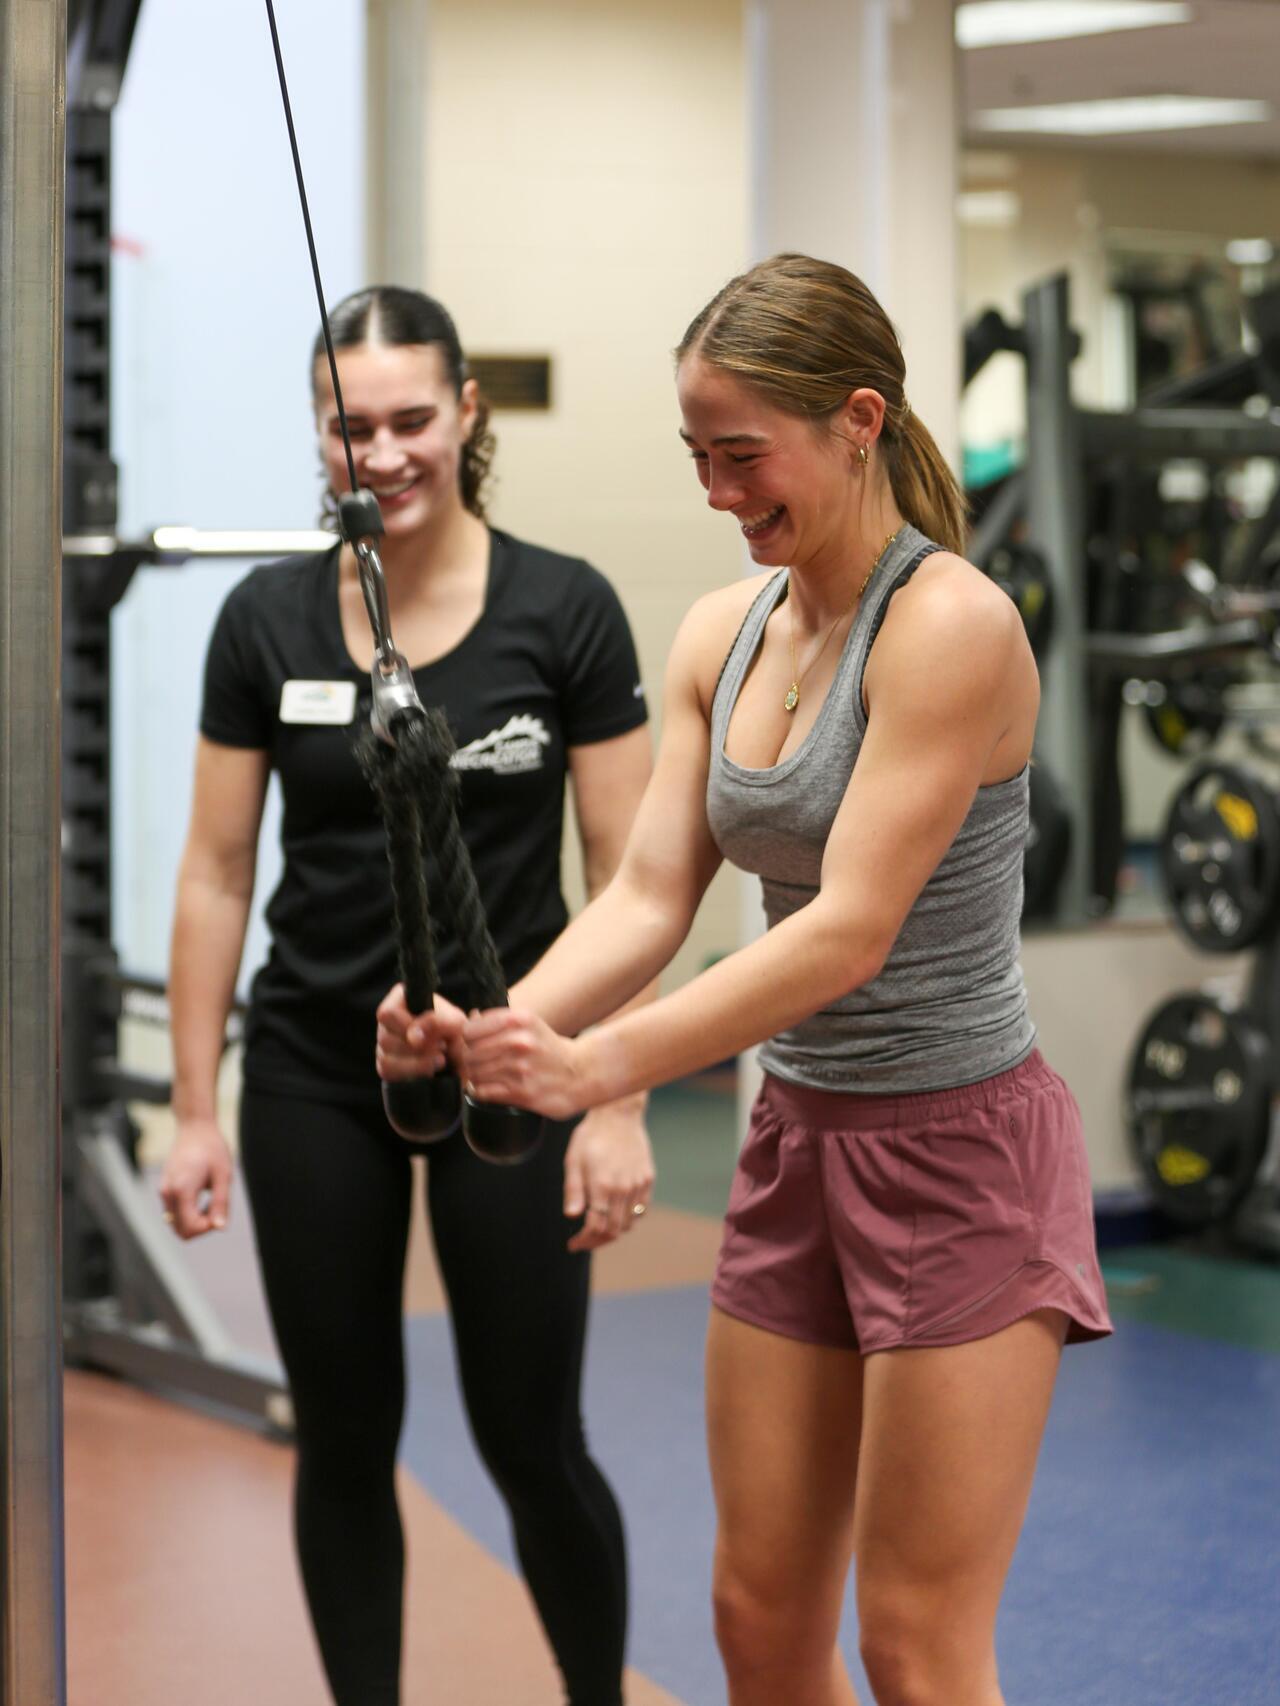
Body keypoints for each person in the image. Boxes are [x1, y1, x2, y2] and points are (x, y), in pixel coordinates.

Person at [378, 254, 1113, 1706]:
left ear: (857, 419)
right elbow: (652, 892)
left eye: (742, 456)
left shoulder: (951, 625)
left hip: (962, 1153)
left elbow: (848, 928)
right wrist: (512, 1026)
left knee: (913, 1643)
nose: (718, 491)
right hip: (801, 1147)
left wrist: (610, 1067)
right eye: (696, 456)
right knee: (758, 1623)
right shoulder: (728, 629)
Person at [159, 285, 655, 1706]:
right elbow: (210, 872)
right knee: (345, 1431)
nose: (380, 452)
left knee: (529, 1436)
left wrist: (615, 1096)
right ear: (319, 429)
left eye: (408, 420)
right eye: (348, 423)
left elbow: (632, 877)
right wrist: (197, 1108)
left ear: (466, 415)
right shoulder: (263, 624)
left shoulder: (565, 608)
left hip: (520, 1062)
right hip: (319, 1067)